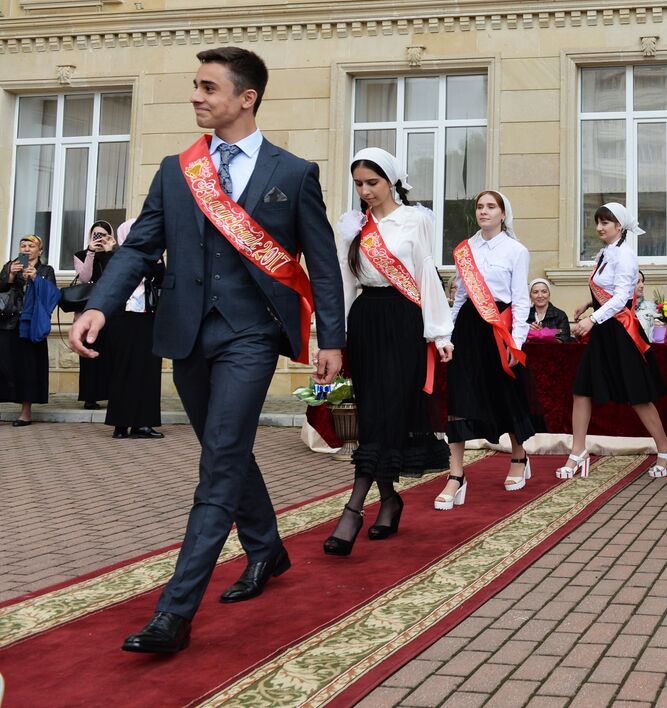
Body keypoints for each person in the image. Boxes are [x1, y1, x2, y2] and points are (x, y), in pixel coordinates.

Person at [70, 47, 345, 655]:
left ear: (246, 98)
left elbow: (322, 265)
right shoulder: (177, 170)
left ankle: (174, 613)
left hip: (251, 335)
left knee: (219, 459)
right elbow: (140, 248)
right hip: (187, 334)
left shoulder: (293, 173)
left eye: (208, 87)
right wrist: (99, 305)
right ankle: (267, 548)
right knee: (227, 448)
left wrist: (333, 337)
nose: (196, 96)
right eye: (195, 86)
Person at [325, 150, 452, 554]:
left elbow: (426, 273)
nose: (365, 192)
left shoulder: (416, 220)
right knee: (373, 415)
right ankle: (390, 500)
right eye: (359, 184)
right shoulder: (352, 226)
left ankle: (353, 509)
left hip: (404, 321)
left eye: (372, 183)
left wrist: (439, 332)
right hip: (365, 321)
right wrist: (334, 338)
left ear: (392, 181)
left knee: (390, 413)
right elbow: (345, 284)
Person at [559, 204, 667, 480]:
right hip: (604, 330)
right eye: (598, 222)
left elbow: (622, 296)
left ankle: (665, 448)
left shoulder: (625, 256)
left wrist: (592, 319)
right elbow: (608, 291)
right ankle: (578, 451)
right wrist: (588, 303)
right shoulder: (604, 253)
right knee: (582, 390)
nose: (600, 227)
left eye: (606, 223)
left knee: (638, 395)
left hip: (620, 333)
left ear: (620, 226)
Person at [443, 190, 535, 501]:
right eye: (480, 207)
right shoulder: (465, 249)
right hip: (468, 328)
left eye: (490, 207)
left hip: (499, 329)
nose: (484, 212)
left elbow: (522, 302)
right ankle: (456, 474)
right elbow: (460, 298)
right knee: (457, 397)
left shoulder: (515, 250)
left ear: (502, 214)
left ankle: (519, 456)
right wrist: (447, 334)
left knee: (504, 394)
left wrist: (516, 343)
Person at [104, 218, 165, 439]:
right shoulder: (114, 255)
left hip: (146, 317)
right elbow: (108, 279)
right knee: (122, 369)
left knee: (147, 370)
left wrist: (156, 259)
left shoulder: (152, 255)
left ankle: (143, 424)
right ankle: (120, 424)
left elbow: (161, 280)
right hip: (121, 317)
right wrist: (112, 252)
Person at [1, 235, 57, 426]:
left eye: (31, 246)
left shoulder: (46, 270)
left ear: (39, 251)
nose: (26, 249)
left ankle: (26, 412)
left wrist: (35, 278)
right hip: (9, 323)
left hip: (31, 325)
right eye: (23, 245)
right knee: (5, 366)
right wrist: (9, 276)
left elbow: (52, 295)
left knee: (28, 368)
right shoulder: (10, 266)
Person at [73, 221, 117, 409]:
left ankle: (111, 393)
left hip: (110, 311)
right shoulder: (81, 255)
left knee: (111, 353)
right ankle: (90, 396)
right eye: (95, 235)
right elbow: (84, 277)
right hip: (88, 310)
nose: (99, 238)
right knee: (90, 352)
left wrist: (109, 251)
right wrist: (91, 252)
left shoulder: (115, 255)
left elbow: (115, 277)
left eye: (103, 235)